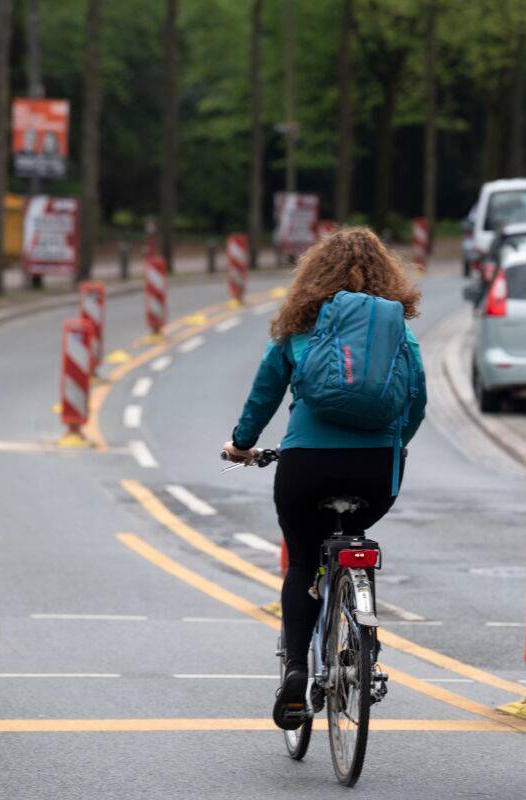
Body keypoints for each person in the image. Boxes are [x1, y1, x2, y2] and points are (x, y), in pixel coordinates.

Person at [221, 227, 427, 728]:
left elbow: (263, 397)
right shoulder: (399, 331)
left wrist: (242, 445)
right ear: (389, 277)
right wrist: (394, 445)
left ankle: (296, 671)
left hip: (305, 468)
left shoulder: (297, 332)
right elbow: (416, 401)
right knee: (354, 536)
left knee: (301, 563)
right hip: (376, 473)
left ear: (312, 277)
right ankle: (360, 631)